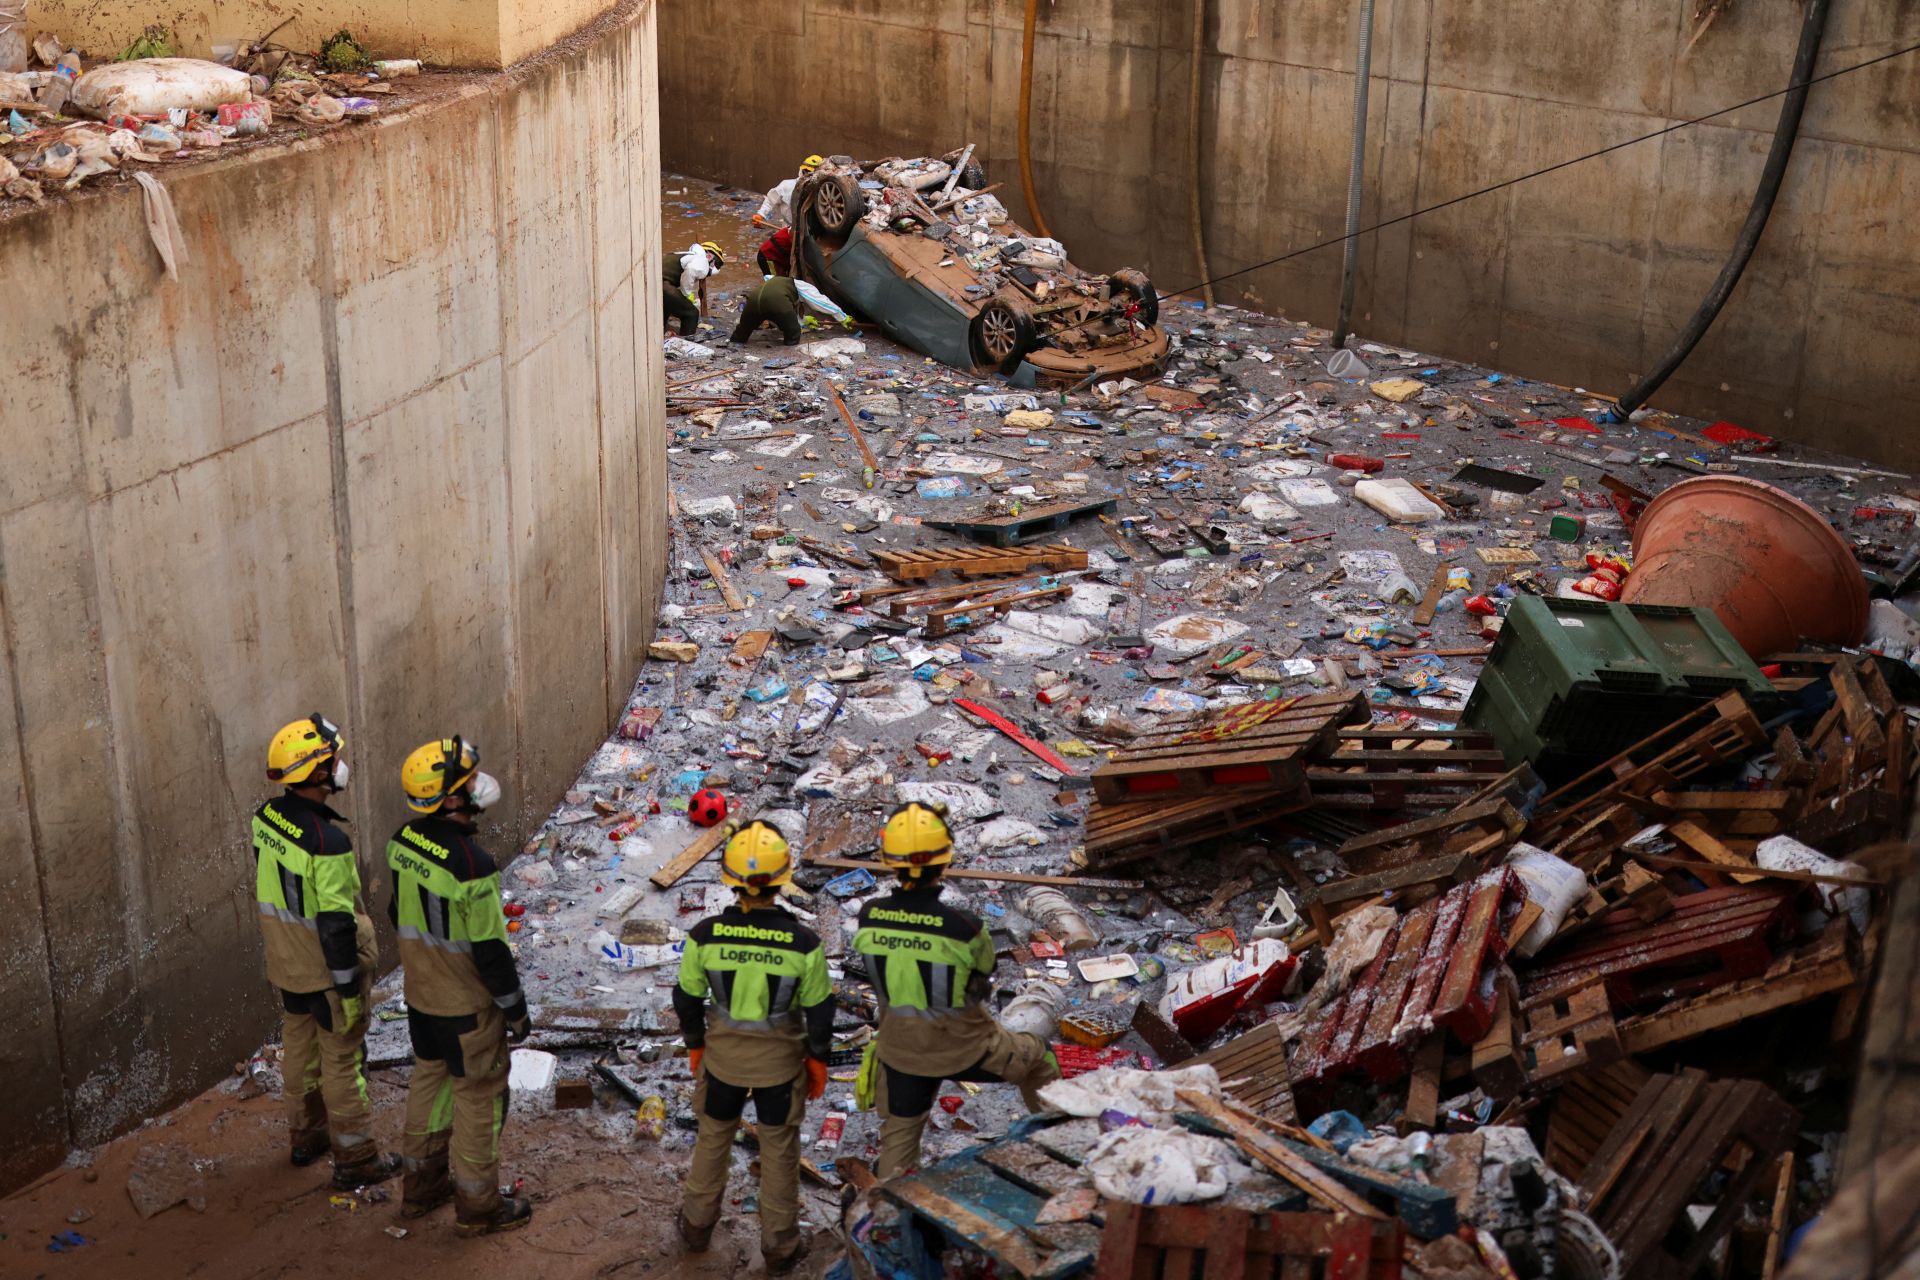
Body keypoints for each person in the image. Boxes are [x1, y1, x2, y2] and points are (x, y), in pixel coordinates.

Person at [852, 803, 1061, 1178]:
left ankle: (888, 1207)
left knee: (896, 1162)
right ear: (944, 860)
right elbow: (984, 971)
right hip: (966, 1049)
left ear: (889, 860)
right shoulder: (965, 927)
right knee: (1041, 1056)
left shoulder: (869, 916)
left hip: (901, 1054)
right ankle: (1062, 1148)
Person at [385, 737, 533, 1236]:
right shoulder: (474, 866)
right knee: (478, 1100)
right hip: (467, 1008)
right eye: (468, 780)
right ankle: (478, 1208)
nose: (477, 785)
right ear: (450, 799)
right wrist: (515, 1010)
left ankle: (421, 1188)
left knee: (428, 1083)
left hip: (421, 1000)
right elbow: (491, 951)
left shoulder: (403, 840)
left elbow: (395, 912)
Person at [672, 819, 832, 1273]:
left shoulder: (704, 935)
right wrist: (816, 1058)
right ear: (782, 881)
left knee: (713, 1139)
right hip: (780, 1069)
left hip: (722, 1062)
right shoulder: (804, 943)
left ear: (731, 881)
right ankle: (781, 1249)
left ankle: (696, 1228)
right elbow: (820, 1010)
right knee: (780, 1152)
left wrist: (696, 1045)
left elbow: (686, 997)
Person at [252, 714, 400, 1189]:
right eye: (332, 758)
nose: (340, 764)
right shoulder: (328, 842)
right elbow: (336, 923)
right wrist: (348, 989)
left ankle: (306, 1137)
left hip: (285, 960)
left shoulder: (266, 818)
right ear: (315, 773)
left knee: (297, 1050)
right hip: (325, 967)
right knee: (341, 1061)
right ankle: (355, 1157)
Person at [729, 275, 857, 347]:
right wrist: (841, 316)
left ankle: (736, 342)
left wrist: (803, 320)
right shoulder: (801, 286)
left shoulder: (777, 282)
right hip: (776, 302)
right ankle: (789, 349)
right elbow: (820, 301)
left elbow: (781, 315)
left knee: (743, 329)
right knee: (793, 331)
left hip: (753, 300)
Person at [664, 241, 725, 337]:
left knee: (669, 305)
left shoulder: (688, 255)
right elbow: (691, 271)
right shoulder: (702, 261)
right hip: (662, 283)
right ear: (709, 257)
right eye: (716, 264)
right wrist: (686, 295)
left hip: (656, 281)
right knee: (691, 313)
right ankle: (686, 342)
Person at [753, 154, 824, 230]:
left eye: (811, 174)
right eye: (806, 172)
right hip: (788, 230)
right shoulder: (787, 186)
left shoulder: (824, 192)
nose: (807, 176)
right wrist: (761, 215)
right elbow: (771, 199)